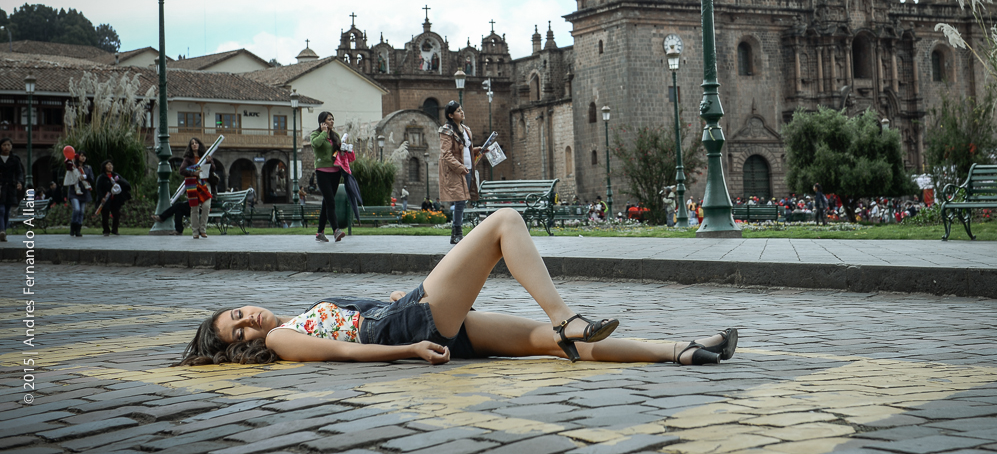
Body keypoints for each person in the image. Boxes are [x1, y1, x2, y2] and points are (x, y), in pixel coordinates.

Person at [177, 208, 737, 367]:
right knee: (505, 222)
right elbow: (348, 351)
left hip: (414, 320)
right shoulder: (281, 340)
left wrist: (391, 304)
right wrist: (410, 348)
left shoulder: (291, 320)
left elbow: (350, 325)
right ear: (243, 347)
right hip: (411, 329)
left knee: (553, 347)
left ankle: (681, 350)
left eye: (238, 313)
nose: (249, 321)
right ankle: (566, 315)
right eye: (239, 332)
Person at [439, 100, 481, 246]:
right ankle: (457, 232)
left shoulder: (466, 130)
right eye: (458, 111)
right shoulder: (446, 131)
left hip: (468, 169)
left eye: (461, 109)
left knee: (463, 201)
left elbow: (465, 150)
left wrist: (477, 150)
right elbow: (446, 154)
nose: (462, 112)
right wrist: (459, 167)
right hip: (456, 171)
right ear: (450, 115)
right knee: (460, 200)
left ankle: (455, 234)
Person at [310, 111, 346, 243]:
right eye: (329, 119)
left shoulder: (335, 136)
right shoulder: (315, 134)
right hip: (322, 172)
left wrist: (344, 148)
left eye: (332, 119)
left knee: (326, 203)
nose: (332, 121)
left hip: (335, 172)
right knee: (330, 202)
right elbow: (316, 144)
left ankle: (320, 232)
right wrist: (324, 133)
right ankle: (336, 230)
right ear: (322, 122)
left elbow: (338, 152)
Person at [180, 137, 213, 239]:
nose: (194, 144)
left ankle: (203, 229)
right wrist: (193, 172)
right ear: (190, 146)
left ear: (199, 144)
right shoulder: (188, 158)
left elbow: (213, 169)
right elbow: (182, 170)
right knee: (194, 208)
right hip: (193, 185)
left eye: (196, 142)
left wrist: (209, 161)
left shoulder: (205, 156)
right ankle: (195, 231)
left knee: (206, 206)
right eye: (192, 143)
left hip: (204, 184)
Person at [94, 159, 132, 236]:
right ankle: (106, 230)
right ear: (104, 166)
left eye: (111, 164)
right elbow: (98, 188)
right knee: (105, 215)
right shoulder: (102, 177)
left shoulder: (116, 176)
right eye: (108, 164)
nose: (110, 166)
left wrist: (118, 181)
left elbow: (125, 184)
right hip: (106, 198)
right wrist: (101, 197)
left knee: (116, 214)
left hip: (115, 199)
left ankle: (115, 229)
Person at [0, 138, 24, 243]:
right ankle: (1, 230)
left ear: (11, 146)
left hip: (10, 188)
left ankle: (3, 231)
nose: (6, 147)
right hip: (0, 187)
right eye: (4, 145)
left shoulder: (15, 159)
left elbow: (19, 172)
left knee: (7, 211)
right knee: (1, 210)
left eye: (8, 145)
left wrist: (19, 182)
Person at [62, 151, 91, 237]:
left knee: (81, 212)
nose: (83, 158)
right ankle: (73, 226)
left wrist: (85, 177)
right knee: (77, 209)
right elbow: (68, 170)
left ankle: (78, 229)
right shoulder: (73, 166)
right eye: (81, 156)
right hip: (74, 192)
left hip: (84, 192)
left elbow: (92, 178)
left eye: (84, 156)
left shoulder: (88, 168)